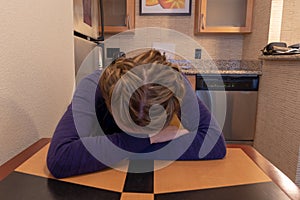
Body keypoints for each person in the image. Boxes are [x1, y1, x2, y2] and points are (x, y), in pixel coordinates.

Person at [47, 49, 226, 178]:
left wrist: (117, 149)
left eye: (153, 128)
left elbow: (214, 143)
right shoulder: (92, 86)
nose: (146, 133)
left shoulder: (174, 85)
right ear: (111, 104)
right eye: (133, 129)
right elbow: (60, 158)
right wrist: (148, 139)